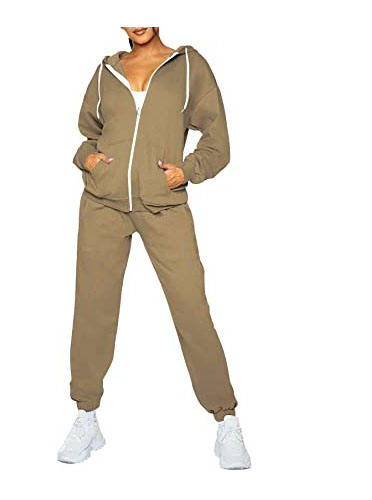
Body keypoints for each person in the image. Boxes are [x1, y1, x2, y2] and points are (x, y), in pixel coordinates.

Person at [58, 27, 251, 469]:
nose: (137, 23)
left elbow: (218, 141)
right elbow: (89, 133)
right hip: (102, 204)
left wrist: (188, 171)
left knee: (191, 309)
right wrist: (87, 159)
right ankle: (86, 414)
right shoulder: (106, 70)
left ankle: (225, 419)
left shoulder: (188, 67)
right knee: (92, 310)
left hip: (164, 205)